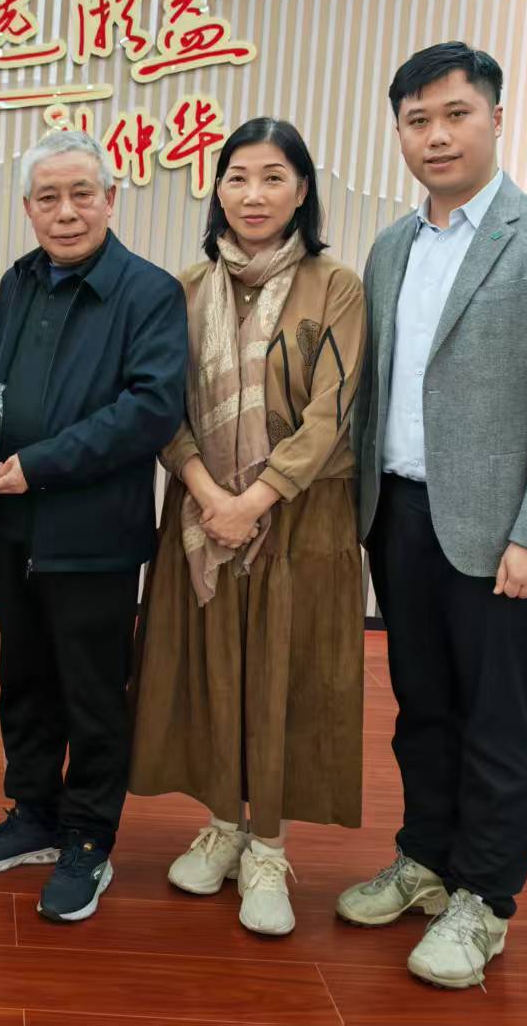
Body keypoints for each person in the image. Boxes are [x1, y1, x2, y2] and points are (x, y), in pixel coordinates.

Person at [338, 42, 527, 988]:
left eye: (455, 114)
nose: (437, 135)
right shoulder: (391, 247)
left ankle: (485, 899)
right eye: (417, 120)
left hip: (503, 534)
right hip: (399, 515)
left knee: (499, 721)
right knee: (422, 706)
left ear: (496, 117)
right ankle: (426, 857)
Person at [128, 118, 366, 938]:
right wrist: (206, 491)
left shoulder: (336, 286)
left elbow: (332, 412)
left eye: (272, 177)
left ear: (302, 190)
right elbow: (163, 404)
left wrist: (253, 499)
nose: (253, 194)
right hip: (202, 514)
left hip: (299, 519)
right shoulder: (187, 287)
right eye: (237, 176)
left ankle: (269, 847)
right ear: (218, 189)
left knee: (284, 673)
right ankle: (224, 824)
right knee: (213, 666)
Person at [0, 128, 187, 923]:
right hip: (12, 522)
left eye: (81, 193)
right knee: (23, 678)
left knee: (92, 691)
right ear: (28, 207)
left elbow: (149, 410)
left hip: (94, 531)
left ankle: (88, 835)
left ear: (111, 199)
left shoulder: (149, 292)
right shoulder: (18, 280)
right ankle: (33, 812)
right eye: (48, 197)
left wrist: (42, 462)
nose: (65, 211)